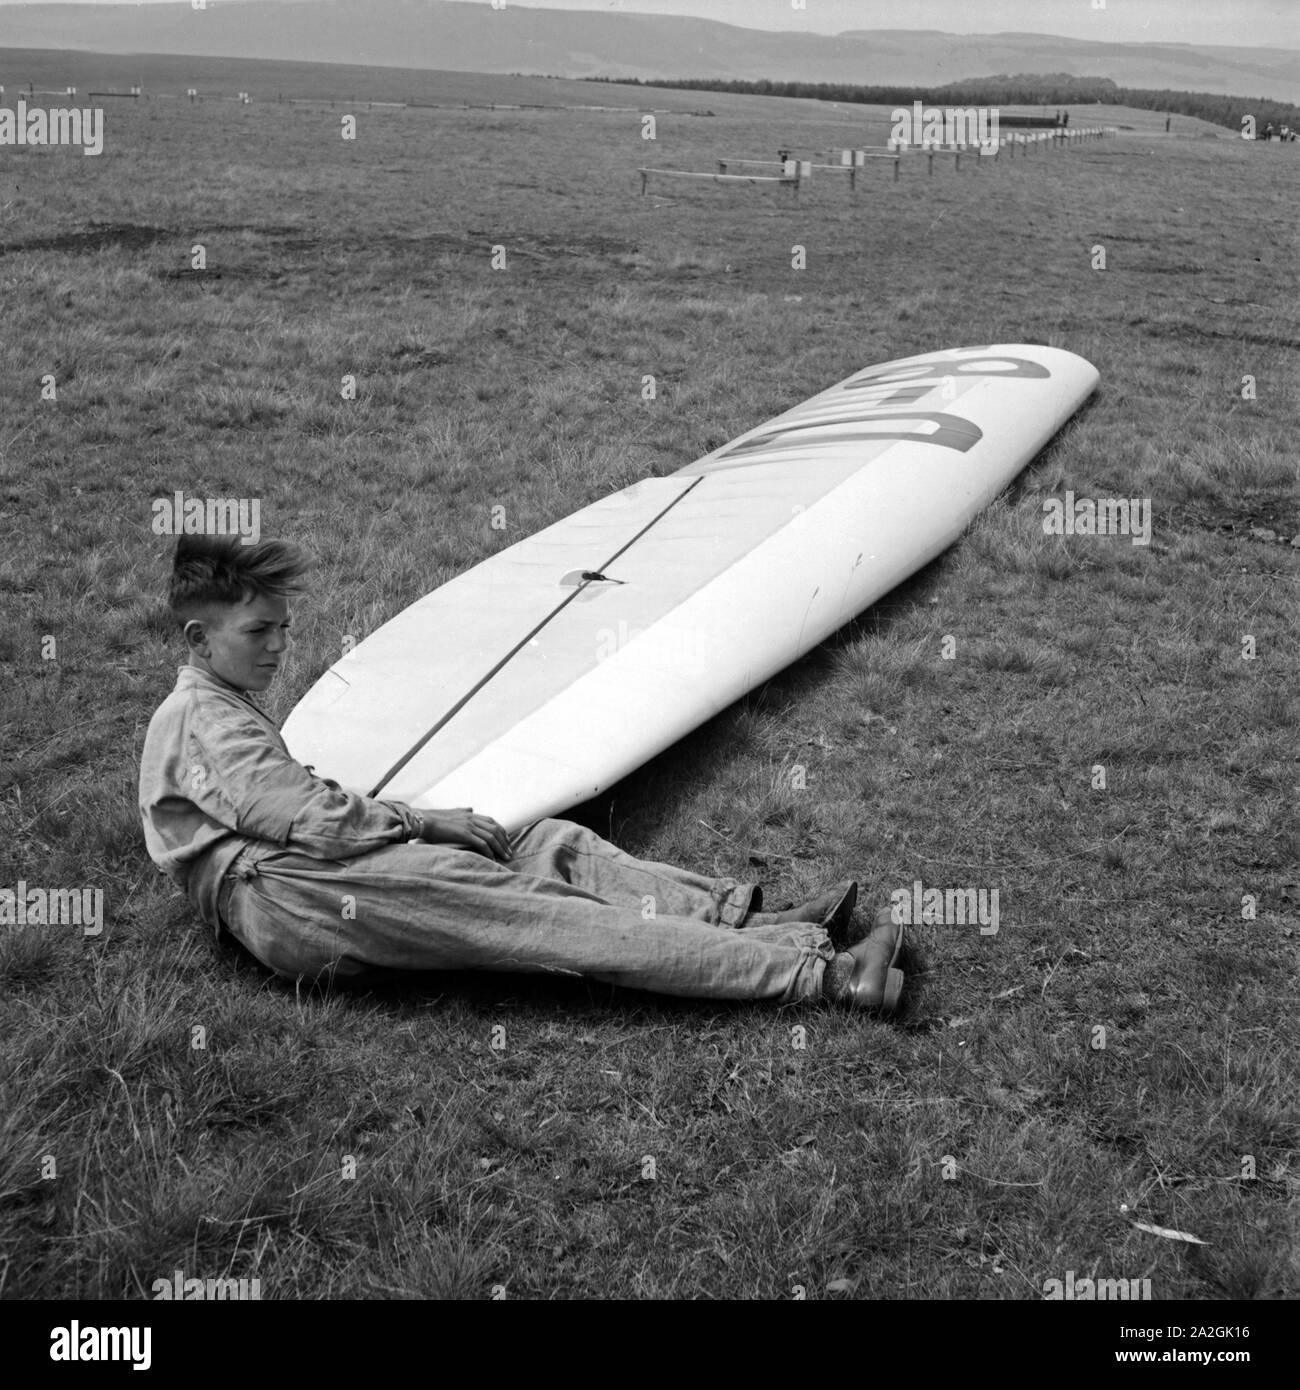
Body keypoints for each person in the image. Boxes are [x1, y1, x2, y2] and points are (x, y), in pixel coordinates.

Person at [139, 536, 906, 1012]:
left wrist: (422, 825)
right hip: (293, 897)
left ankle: (743, 918)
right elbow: (309, 820)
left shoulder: (216, 702)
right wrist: (421, 823)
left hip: (299, 875)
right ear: (200, 638)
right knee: (545, 915)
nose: (277, 647)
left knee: (537, 843)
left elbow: (301, 808)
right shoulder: (203, 717)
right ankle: (827, 976)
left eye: (282, 629)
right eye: (258, 632)